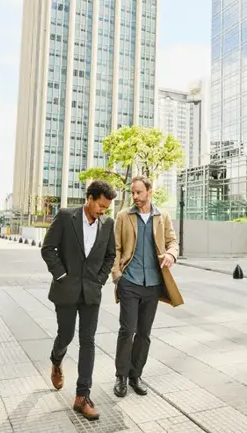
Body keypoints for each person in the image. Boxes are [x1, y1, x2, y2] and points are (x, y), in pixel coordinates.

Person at [41, 180, 117, 420]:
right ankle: (56, 359)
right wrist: (61, 274)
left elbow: (110, 255)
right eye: (101, 206)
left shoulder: (108, 224)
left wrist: (100, 279)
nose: (103, 211)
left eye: (106, 208)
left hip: (91, 293)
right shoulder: (66, 217)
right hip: (66, 289)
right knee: (66, 335)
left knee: (88, 341)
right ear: (90, 198)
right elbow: (48, 248)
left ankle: (82, 396)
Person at [112, 176, 183, 398]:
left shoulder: (162, 217)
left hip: (152, 284)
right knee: (127, 330)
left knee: (144, 333)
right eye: (133, 192)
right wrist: (117, 276)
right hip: (130, 282)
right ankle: (121, 377)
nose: (135, 197)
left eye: (139, 192)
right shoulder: (124, 216)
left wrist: (171, 254)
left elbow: (173, 242)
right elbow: (115, 247)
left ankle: (136, 375)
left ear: (149, 192)